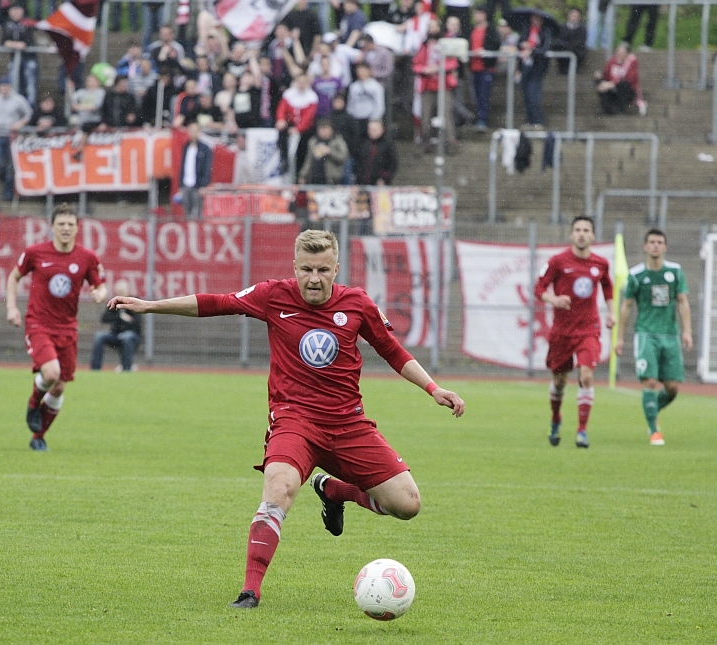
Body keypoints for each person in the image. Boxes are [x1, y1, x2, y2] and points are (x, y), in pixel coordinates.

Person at [105, 229, 466, 609]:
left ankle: (334, 490)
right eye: (307, 269)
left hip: (348, 424)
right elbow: (215, 302)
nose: (314, 278)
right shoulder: (273, 295)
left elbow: (394, 352)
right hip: (295, 422)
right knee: (278, 490)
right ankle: (250, 591)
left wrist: (433, 388)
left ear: (336, 268)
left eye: (323, 270)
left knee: (408, 504)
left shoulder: (357, 304)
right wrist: (149, 306)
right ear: (294, 267)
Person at [6, 204, 107, 451]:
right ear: (52, 226)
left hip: (68, 328)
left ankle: (38, 436)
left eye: (70, 224)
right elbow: (14, 277)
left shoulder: (87, 257)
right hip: (38, 323)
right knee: (51, 374)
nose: (65, 228)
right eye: (61, 224)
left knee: (60, 386)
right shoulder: (35, 252)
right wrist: (11, 307)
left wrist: (99, 294)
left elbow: (100, 285)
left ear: (77, 228)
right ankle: (33, 403)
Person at [534, 216, 614, 449]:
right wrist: (554, 299)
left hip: (589, 329)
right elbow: (539, 288)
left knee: (586, 375)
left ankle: (582, 430)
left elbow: (608, 288)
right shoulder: (558, 261)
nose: (581, 233)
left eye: (586, 230)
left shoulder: (600, 263)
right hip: (562, 331)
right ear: (571, 235)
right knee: (559, 382)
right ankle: (556, 418)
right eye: (577, 229)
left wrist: (611, 312)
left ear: (592, 236)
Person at [615, 229, 692, 446]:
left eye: (659, 242)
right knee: (649, 381)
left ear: (665, 247)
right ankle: (653, 430)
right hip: (646, 333)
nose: (655, 245)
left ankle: (651, 410)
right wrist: (620, 338)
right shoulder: (636, 274)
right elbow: (627, 306)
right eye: (652, 242)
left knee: (673, 388)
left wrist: (687, 331)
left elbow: (683, 301)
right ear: (645, 246)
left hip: (670, 334)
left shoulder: (675, 271)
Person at [412, 18, 458, 150]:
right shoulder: (423, 45)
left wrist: (438, 68)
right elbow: (416, 64)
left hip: (444, 85)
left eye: (435, 26)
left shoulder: (447, 43)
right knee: (425, 116)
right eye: (430, 26)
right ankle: (426, 141)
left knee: (446, 115)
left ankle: (450, 142)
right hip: (427, 85)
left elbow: (453, 62)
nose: (432, 29)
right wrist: (424, 69)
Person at [0, 76, 32, 201]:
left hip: (12, 136)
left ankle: (8, 192)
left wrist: (19, 124)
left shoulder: (18, 100)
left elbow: (28, 113)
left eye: (6, 86)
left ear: (10, 87)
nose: (4, 89)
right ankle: (5, 180)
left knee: (11, 166)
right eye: (2, 86)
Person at [91, 279, 141, 372]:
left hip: (132, 336)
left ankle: (126, 369)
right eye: (119, 291)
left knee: (127, 337)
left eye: (122, 290)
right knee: (99, 336)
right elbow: (104, 318)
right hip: (115, 335)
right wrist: (120, 316)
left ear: (127, 290)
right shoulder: (114, 302)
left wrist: (124, 321)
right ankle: (95, 370)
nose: (121, 292)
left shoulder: (134, 302)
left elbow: (136, 322)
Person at [275, 72, 319, 177]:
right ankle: (284, 159)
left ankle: (300, 173)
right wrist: (280, 120)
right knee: (282, 133)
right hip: (290, 124)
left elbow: (308, 117)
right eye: (300, 81)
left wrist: (298, 129)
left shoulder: (312, 97)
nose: (302, 84)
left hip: (305, 129)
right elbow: (282, 109)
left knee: (304, 147)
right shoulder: (289, 94)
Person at [469, 6, 500, 131]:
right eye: (475, 14)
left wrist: (485, 51)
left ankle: (482, 119)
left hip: (486, 68)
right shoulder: (471, 30)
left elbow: (495, 45)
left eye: (479, 13)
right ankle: (478, 118)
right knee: (476, 95)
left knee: (483, 95)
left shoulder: (491, 30)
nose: (477, 16)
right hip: (473, 67)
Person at [1, 2, 38, 105]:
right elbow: (4, 41)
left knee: (30, 83)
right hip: (14, 59)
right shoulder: (7, 24)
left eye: (18, 10)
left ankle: (30, 106)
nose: (16, 13)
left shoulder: (28, 23)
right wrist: (15, 44)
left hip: (29, 58)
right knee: (13, 81)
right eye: (13, 10)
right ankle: (16, 106)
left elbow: (27, 42)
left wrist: (12, 44)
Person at [518, 13, 551, 129]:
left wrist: (532, 50)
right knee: (525, 94)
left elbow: (545, 49)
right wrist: (523, 45)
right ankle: (530, 120)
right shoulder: (526, 29)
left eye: (538, 18)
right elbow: (519, 42)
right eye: (534, 18)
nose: (536, 20)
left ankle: (538, 120)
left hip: (538, 67)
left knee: (533, 94)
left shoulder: (545, 31)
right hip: (525, 66)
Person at [595, 42, 645, 116]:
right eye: (618, 52)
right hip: (612, 89)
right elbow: (606, 75)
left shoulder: (632, 61)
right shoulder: (612, 60)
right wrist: (600, 76)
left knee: (622, 84)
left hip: (627, 91)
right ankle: (608, 110)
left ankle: (622, 109)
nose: (619, 54)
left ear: (627, 53)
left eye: (622, 52)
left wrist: (612, 84)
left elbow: (629, 78)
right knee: (600, 82)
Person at [298, 117, 349, 185]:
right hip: (314, 180)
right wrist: (303, 175)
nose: (323, 131)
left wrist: (330, 151)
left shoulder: (338, 141)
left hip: (331, 180)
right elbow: (308, 160)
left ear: (331, 129)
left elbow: (343, 157)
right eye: (321, 128)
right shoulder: (313, 141)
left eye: (326, 128)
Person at [177, 122, 212, 220]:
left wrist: (204, 185)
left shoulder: (205, 149)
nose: (193, 133)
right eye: (191, 131)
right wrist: (180, 185)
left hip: (198, 184)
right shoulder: (186, 147)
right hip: (186, 184)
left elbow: (207, 168)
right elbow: (182, 167)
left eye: (195, 131)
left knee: (197, 213)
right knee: (186, 212)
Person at [355, 120, 397, 185]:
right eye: (370, 129)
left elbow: (392, 164)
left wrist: (384, 179)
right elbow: (358, 162)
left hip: (380, 184)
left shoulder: (387, 145)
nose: (372, 132)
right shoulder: (363, 144)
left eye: (375, 130)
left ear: (382, 130)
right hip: (362, 183)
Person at [554, 7, 587, 74]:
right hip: (563, 50)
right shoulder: (562, 27)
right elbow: (559, 38)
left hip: (576, 52)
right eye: (573, 16)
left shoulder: (582, 29)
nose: (574, 18)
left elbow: (580, 41)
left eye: (576, 16)